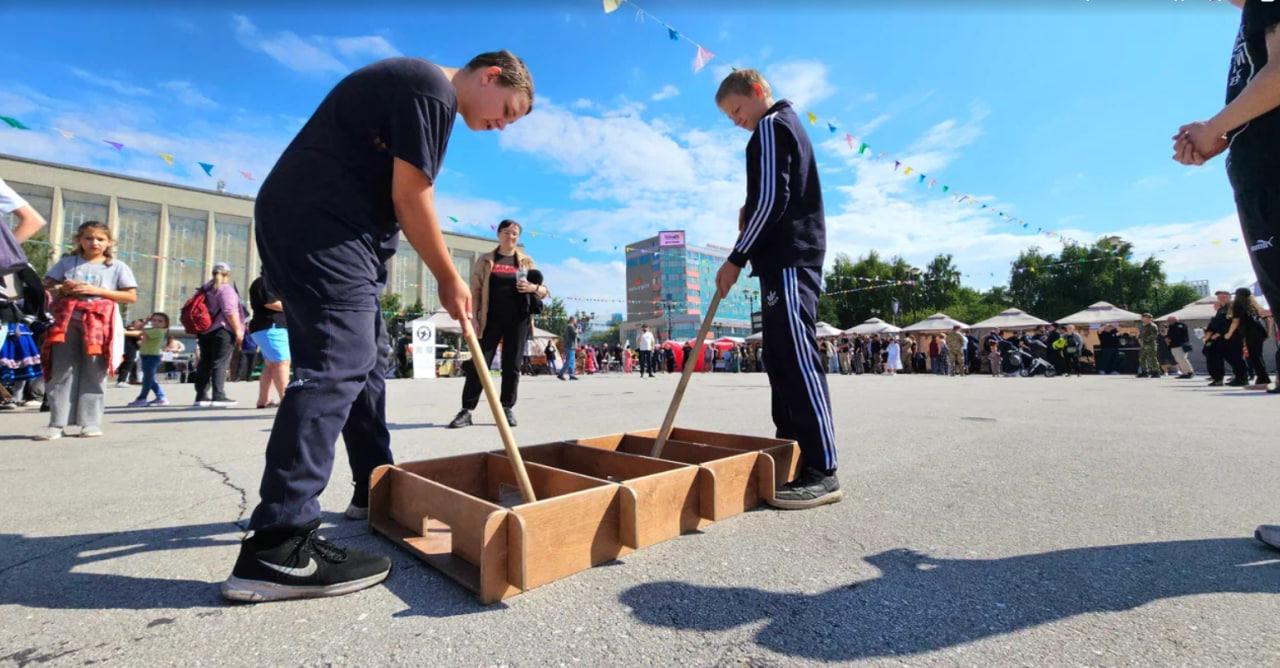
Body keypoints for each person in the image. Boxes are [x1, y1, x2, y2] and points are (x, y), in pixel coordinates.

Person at [223, 53, 534, 603]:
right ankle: (278, 544)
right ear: (490, 76)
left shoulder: (425, 94)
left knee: (367, 360)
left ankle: (374, 490)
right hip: (324, 228)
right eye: (507, 111)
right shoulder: (429, 89)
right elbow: (411, 195)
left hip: (340, 234)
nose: (502, 126)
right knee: (337, 364)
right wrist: (448, 277)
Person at [713, 68, 840, 510]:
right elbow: (768, 196)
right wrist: (749, 211)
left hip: (789, 257)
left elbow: (773, 199)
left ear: (757, 91)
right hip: (783, 258)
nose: (737, 121)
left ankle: (822, 467)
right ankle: (792, 451)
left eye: (736, 110)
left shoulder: (771, 124)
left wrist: (736, 257)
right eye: (731, 116)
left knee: (796, 357)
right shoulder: (784, 126)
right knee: (780, 356)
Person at [37, 221, 137, 440]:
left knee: (95, 369)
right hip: (66, 321)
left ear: (109, 242)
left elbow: (130, 296)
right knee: (62, 369)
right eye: (89, 238)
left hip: (100, 322)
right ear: (79, 240)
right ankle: (57, 423)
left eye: (100, 239)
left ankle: (90, 422)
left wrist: (98, 290)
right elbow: (47, 288)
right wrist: (62, 288)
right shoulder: (67, 263)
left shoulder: (117, 266)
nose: (94, 243)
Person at [449, 220, 549, 429]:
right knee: (479, 363)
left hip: (518, 319)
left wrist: (532, 287)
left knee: (512, 365)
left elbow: (544, 291)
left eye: (514, 233)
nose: (510, 236)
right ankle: (466, 410)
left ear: (518, 237)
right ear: (499, 234)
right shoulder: (486, 260)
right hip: (490, 319)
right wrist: (473, 317)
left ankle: (506, 408)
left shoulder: (526, 261)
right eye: (506, 232)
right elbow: (475, 290)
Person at [191, 262, 245, 408]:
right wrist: (238, 330)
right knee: (220, 362)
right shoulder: (226, 289)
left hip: (205, 331)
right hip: (222, 330)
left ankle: (201, 396)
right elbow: (229, 311)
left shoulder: (204, 289)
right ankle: (219, 395)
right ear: (228, 274)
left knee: (205, 362)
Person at [248, 273, 290, 409]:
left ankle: (263, 400)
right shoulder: (265, 282)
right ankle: (286, 401)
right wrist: (294, 307)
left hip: (266, 327)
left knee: (271, 364)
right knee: (282, 362)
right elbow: (270, 303)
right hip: (271, 326)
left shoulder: (265, 282)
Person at [1225, 287, 1272, 387]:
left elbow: (1235, 321)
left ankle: (1263, 379)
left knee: (1254, 356)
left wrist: (1229, 334)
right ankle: (1262, 378)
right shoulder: (1254, 305)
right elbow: (1268, 319)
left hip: (1250, 332)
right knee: (1258, 355)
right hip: (1259, 331)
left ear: (1237, 296)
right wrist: (1268, 332)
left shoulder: (1238, 305)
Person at [125, 312, 171, 407]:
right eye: (153, 320)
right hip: (147, 356)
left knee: (147, 379)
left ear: (165, 324)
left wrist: (121, 332)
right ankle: (161, 398)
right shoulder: (153, 330)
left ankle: (142, 398)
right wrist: (146, 321)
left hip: (151, 357)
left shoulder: (158, 331)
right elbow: (139, 330)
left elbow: (138, 332)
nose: (156, 322)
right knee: (149, 379)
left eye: (160, 321)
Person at [115, 318, 143, 388]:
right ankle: (122, 381)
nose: (141, 325)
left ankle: (121, 380)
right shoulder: (134, 332)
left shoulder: (126, 330)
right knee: (127, 365)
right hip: (130, 350)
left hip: (122, 349)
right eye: (139, 323)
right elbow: (139, 343)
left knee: (124, 365)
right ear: (134, 324)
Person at [1136, 314, 1161, 378]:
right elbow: (1140, 334)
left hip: (1150, 344)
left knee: (1152, 358)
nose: (1142, 319)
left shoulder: (1153, 326)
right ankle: (1144, 372)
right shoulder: (1142, 326)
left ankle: (1156, 372)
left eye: (1144, 317)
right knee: (1142, 358)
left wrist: (1145, 339)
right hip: (1143, 345)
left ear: (1149, 318)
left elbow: (1154, 335)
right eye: (1142, 317)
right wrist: (1139, 339)